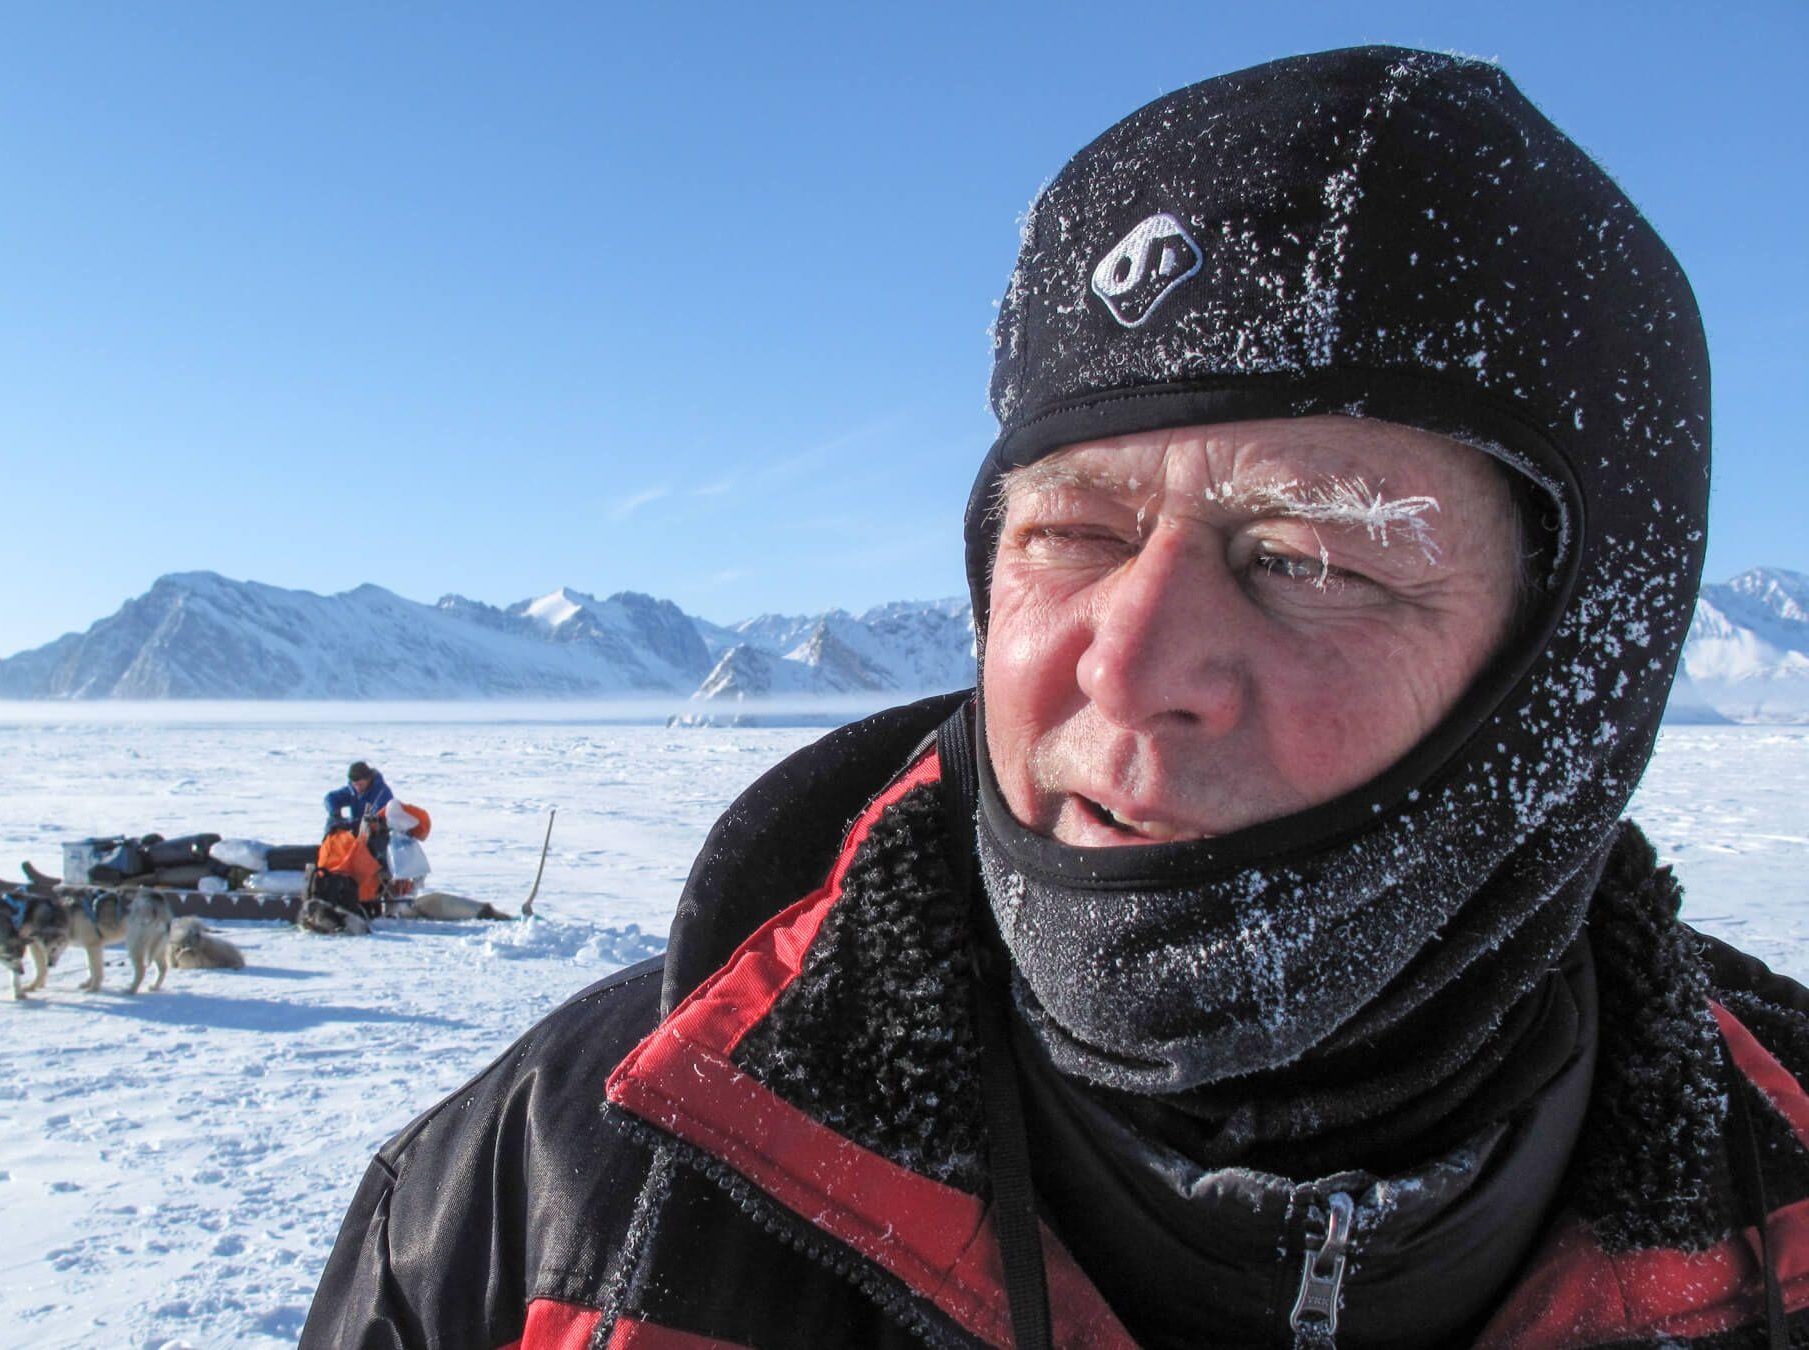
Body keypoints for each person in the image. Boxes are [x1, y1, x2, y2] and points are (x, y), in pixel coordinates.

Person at [302, 48, 1809, 1349]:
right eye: (1073, 534)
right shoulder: (563, 1190)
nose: (1129, 665)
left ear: (1569, 673)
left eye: (1303, 557)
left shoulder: (1786, 1208)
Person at [325, 761, 393, 837]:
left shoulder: (382, 793)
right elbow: (330, 797)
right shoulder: (353, 791)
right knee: (332, 821)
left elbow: (377, 819)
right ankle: (328, 846)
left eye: (360, 784)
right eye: (355, 785)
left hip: (375, 836)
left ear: (368, 779)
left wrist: (349, 825)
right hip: (356, 831)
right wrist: (335, 813)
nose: (358, 788)